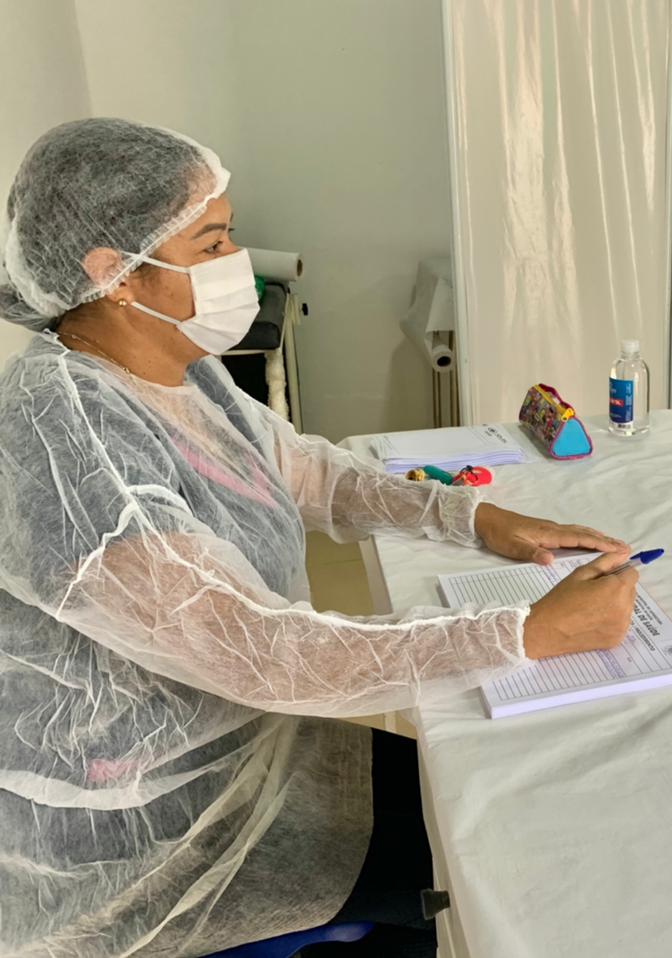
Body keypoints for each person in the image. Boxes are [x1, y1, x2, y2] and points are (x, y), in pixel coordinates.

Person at [0, 118, 639, 957]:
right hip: (151, 826)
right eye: (211, 242)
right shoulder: (65, 436)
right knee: (498, 853)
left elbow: (308, 474)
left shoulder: (170, 371)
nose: (238, 261)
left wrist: (472, 518)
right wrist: (528, 632)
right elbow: (257, 652)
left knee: (493, 778)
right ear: (112, 274)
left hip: (246, 747)